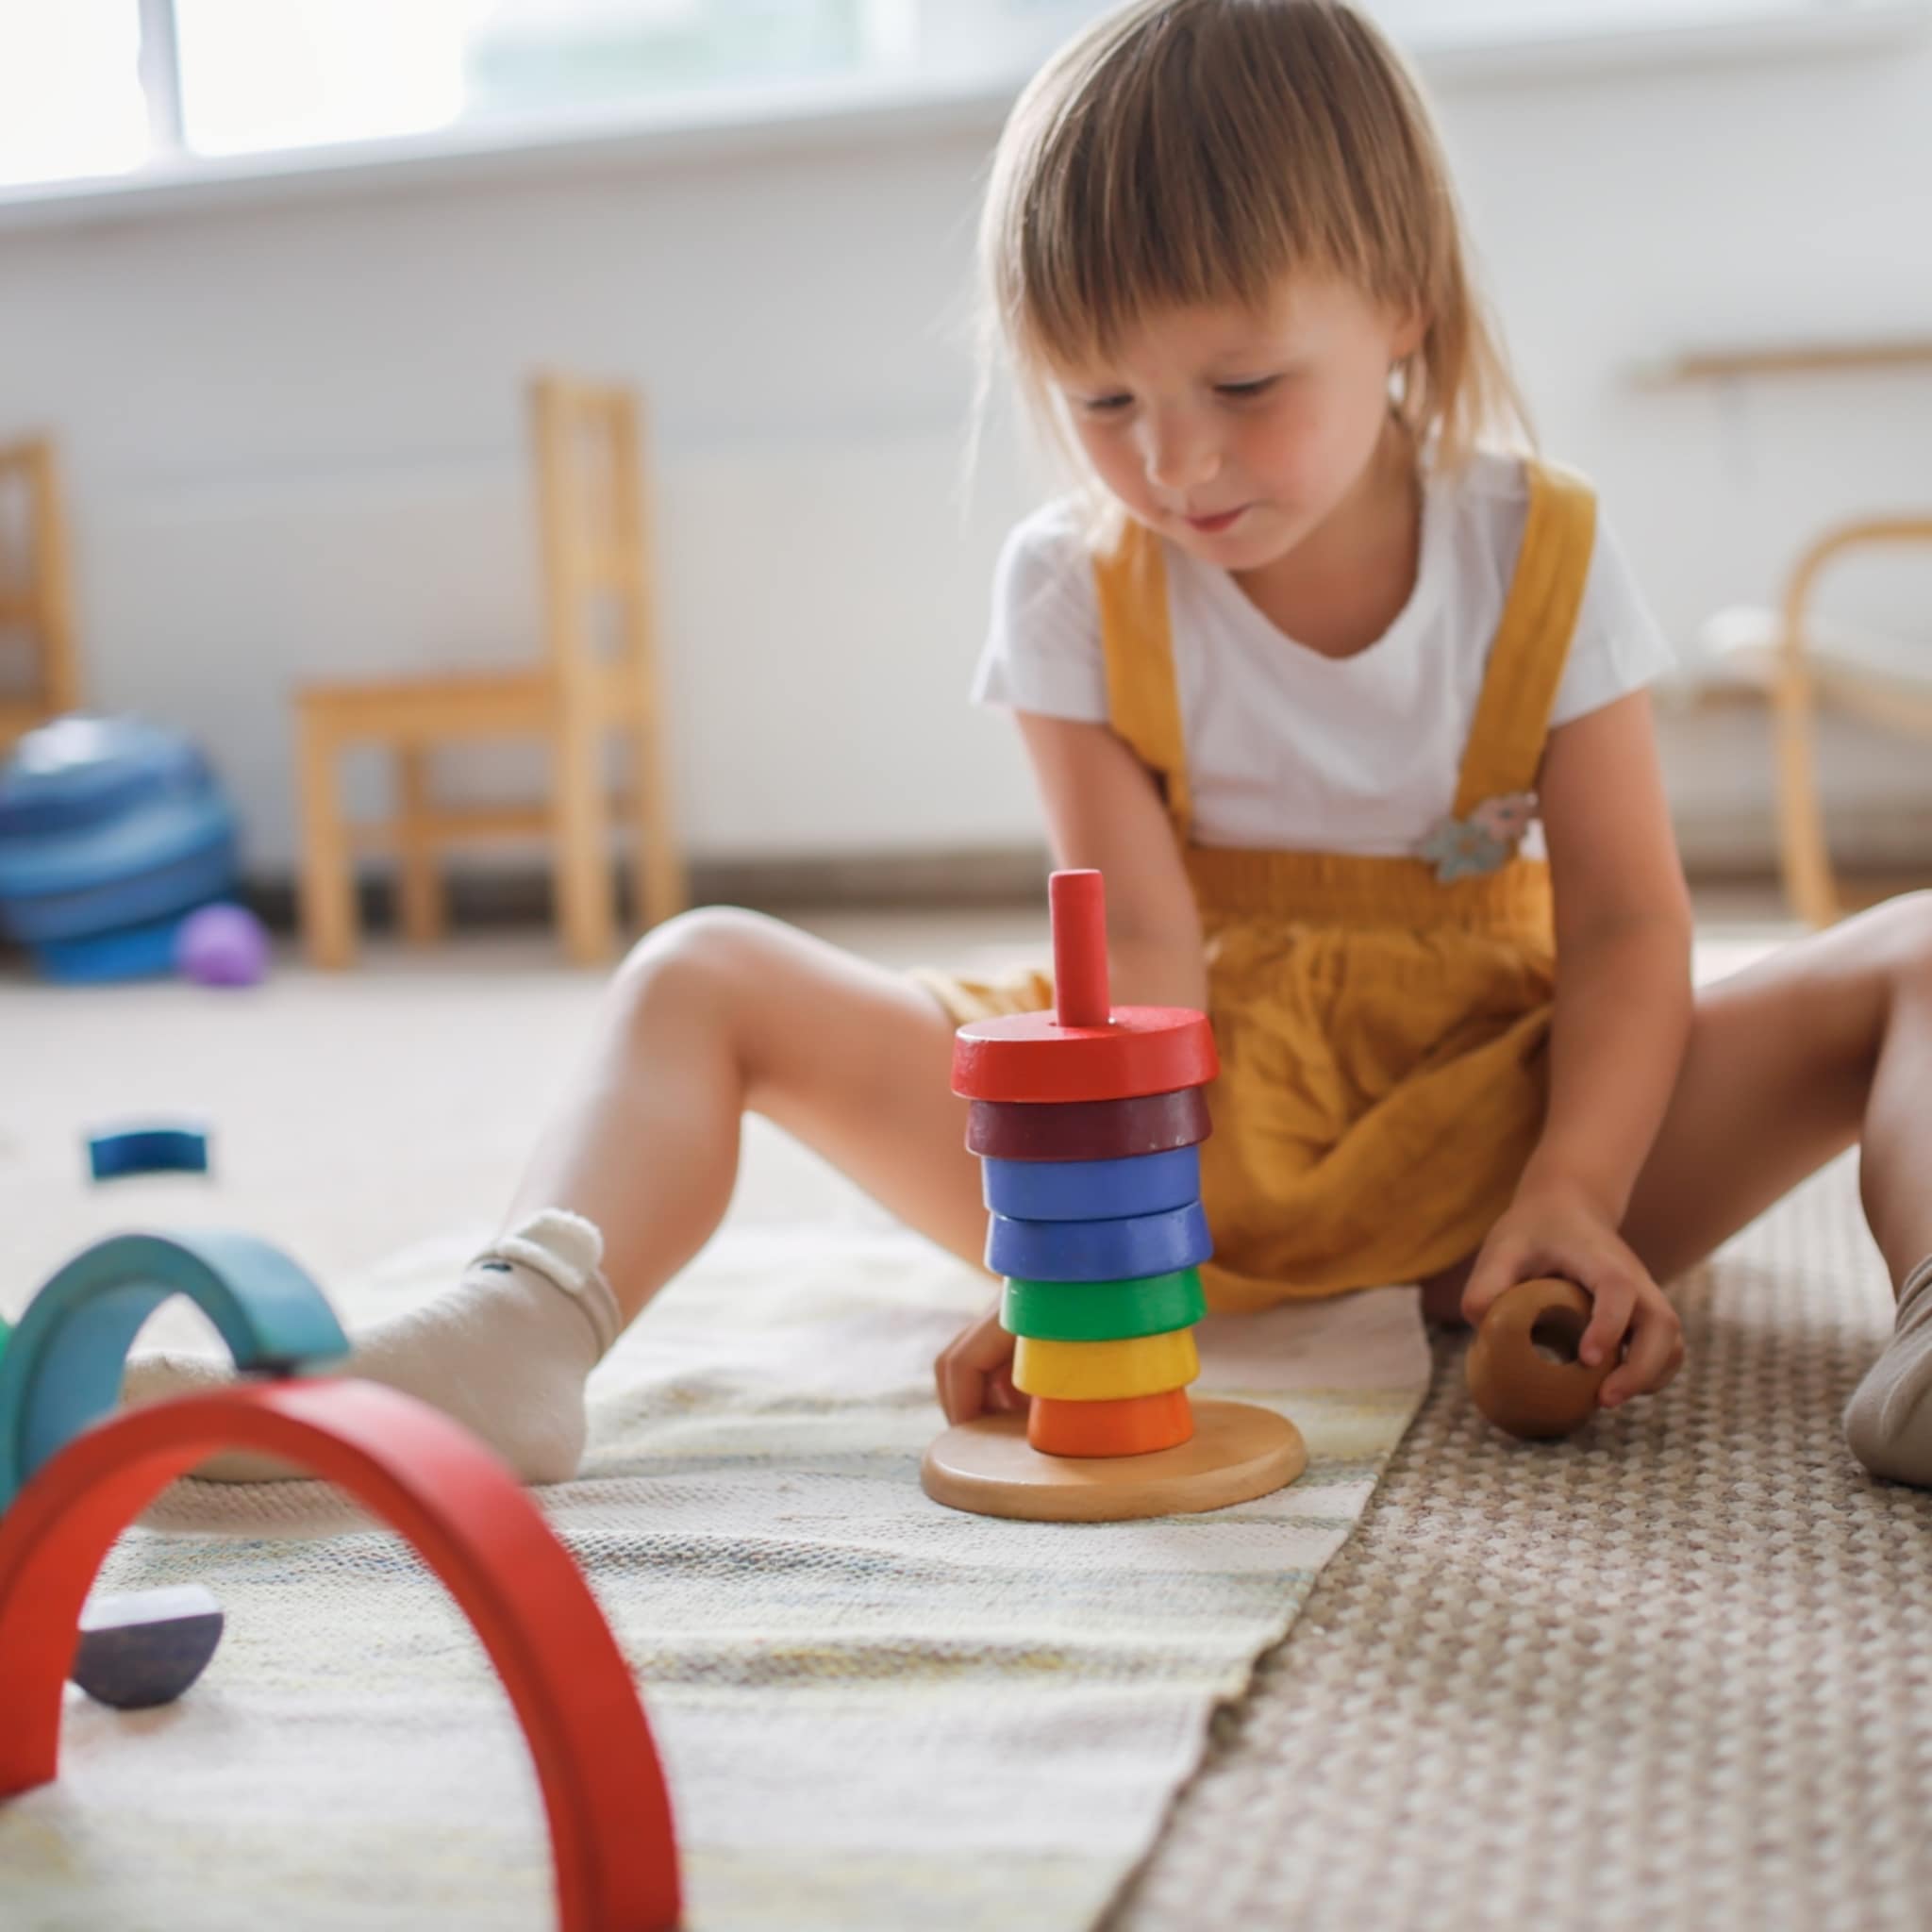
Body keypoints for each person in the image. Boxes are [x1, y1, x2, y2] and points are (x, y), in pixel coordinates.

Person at [129, 0, 1932, 1490]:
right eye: (1103, 403)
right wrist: (1093, 1258)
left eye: (1240, 387)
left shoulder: (1536, 543)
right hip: (1178, 1122)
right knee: (701, 971)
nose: (1177, 466)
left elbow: (1627, 929)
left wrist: (1573, 1192)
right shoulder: (1075, 585)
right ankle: (521, 1327)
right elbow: (1133, 948)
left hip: (1507, 1117)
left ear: (1401, 304)